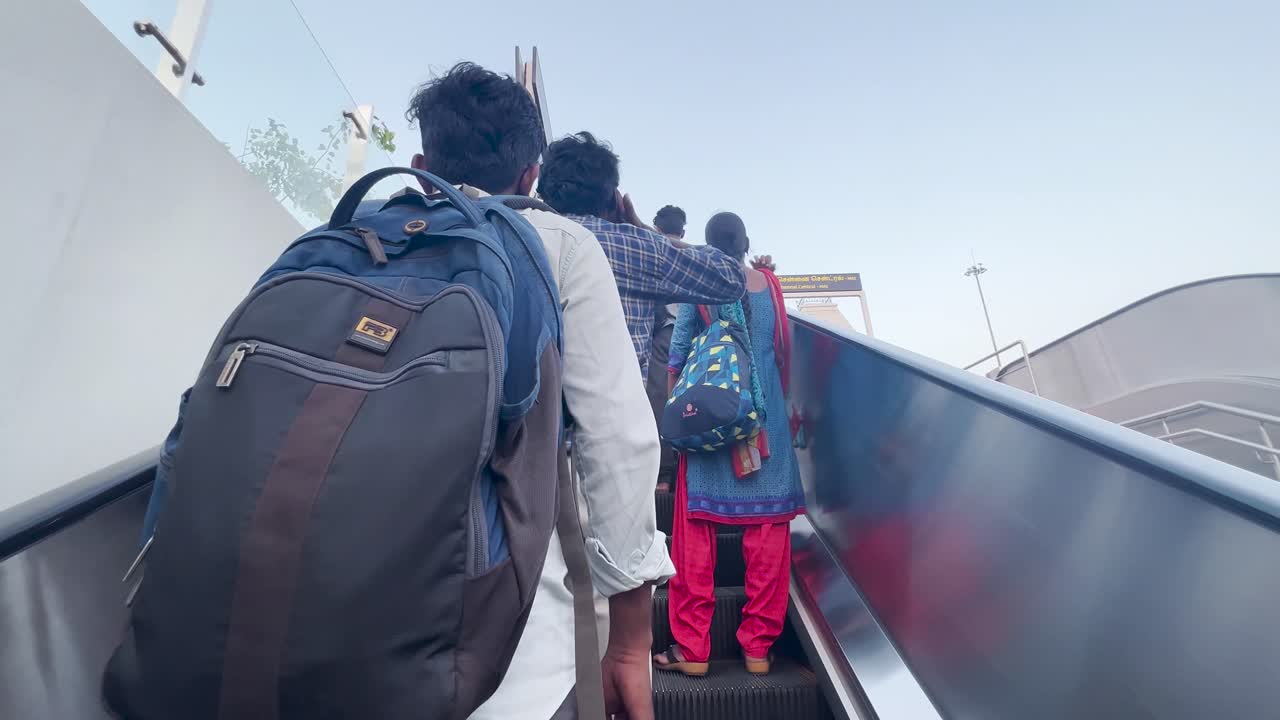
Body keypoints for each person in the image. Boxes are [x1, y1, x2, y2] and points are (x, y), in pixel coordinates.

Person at [406, 63, 674, 719]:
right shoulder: (556, 243)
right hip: (508, 661)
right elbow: (618, 444)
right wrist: (630, 643)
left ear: (419, 168)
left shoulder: (338, 241)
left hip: (313, 645)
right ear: (531, 177)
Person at [653, 212, 804, 677]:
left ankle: (693, 649)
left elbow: (677, 356)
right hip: (766, 425)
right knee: (768, 533)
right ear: (745, 243)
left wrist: (681, 420)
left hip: (714, 421)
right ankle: (758, 647)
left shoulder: (699, 283)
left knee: (695, 531)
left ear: (708, 243)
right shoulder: (771, 287)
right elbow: (783, 350)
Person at [537, 133, 746, 379]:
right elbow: (732, 278)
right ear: (615, 199)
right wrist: (645, 230)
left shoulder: (516, 233)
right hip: (616, 412)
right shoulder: (638, 247)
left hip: (527, 412)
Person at [648, 205, 687, 492]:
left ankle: (663, 475)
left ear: (657, 227)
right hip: (695, 336)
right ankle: (690, 469)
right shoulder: (691, 254)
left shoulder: (653, 250)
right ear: (683, 230)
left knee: (659, 400)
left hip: (664, 335)